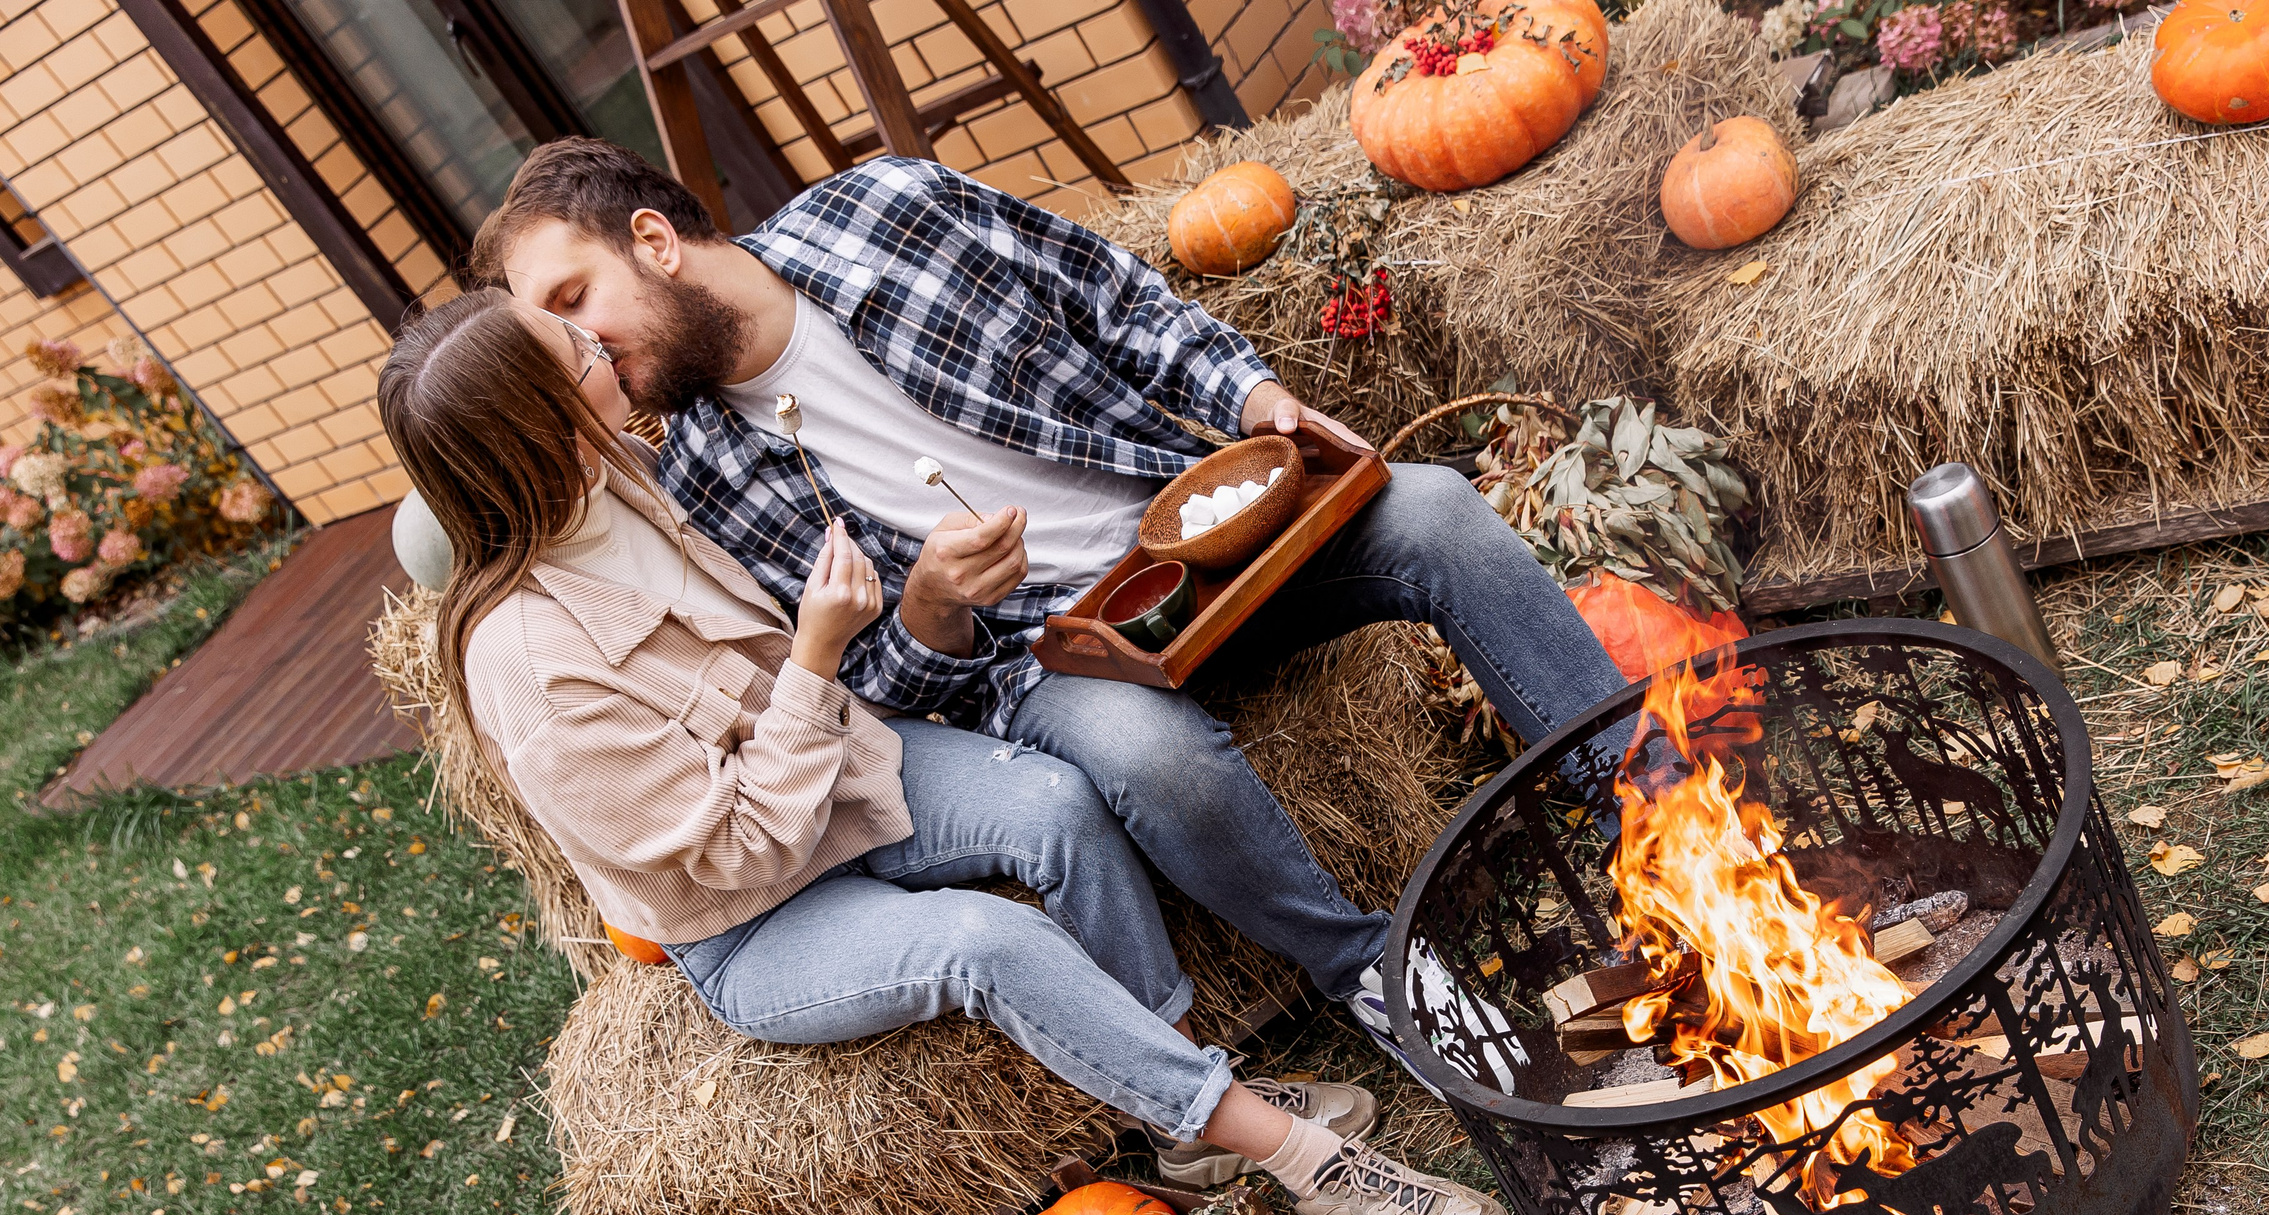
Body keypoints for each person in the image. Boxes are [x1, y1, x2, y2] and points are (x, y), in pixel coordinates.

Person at [375, 288, 1507, 1215]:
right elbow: (740, 852)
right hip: (756, 912)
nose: (596, 341)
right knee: (987, 945)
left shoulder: (621, 479)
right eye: (571, 350)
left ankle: (1188, 1124)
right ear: (545, 429)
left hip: (835, 771)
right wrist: (816, 655)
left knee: (1056, 804)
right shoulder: (528, 669)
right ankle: (1309, 1166)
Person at [469, 139, 1629, 1082]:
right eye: (550, 336)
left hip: (1200, 539)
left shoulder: (891, 210)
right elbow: (875, 700)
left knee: (1433, 512)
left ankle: (1646, 806)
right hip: (1048, 661)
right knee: (1144, 757)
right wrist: (928, 613)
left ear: (658, 242)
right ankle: (1373, 975)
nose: (580, 348)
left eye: (576, 302)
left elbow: (1116, 300)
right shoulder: (699, 483)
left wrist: (1263, 400)